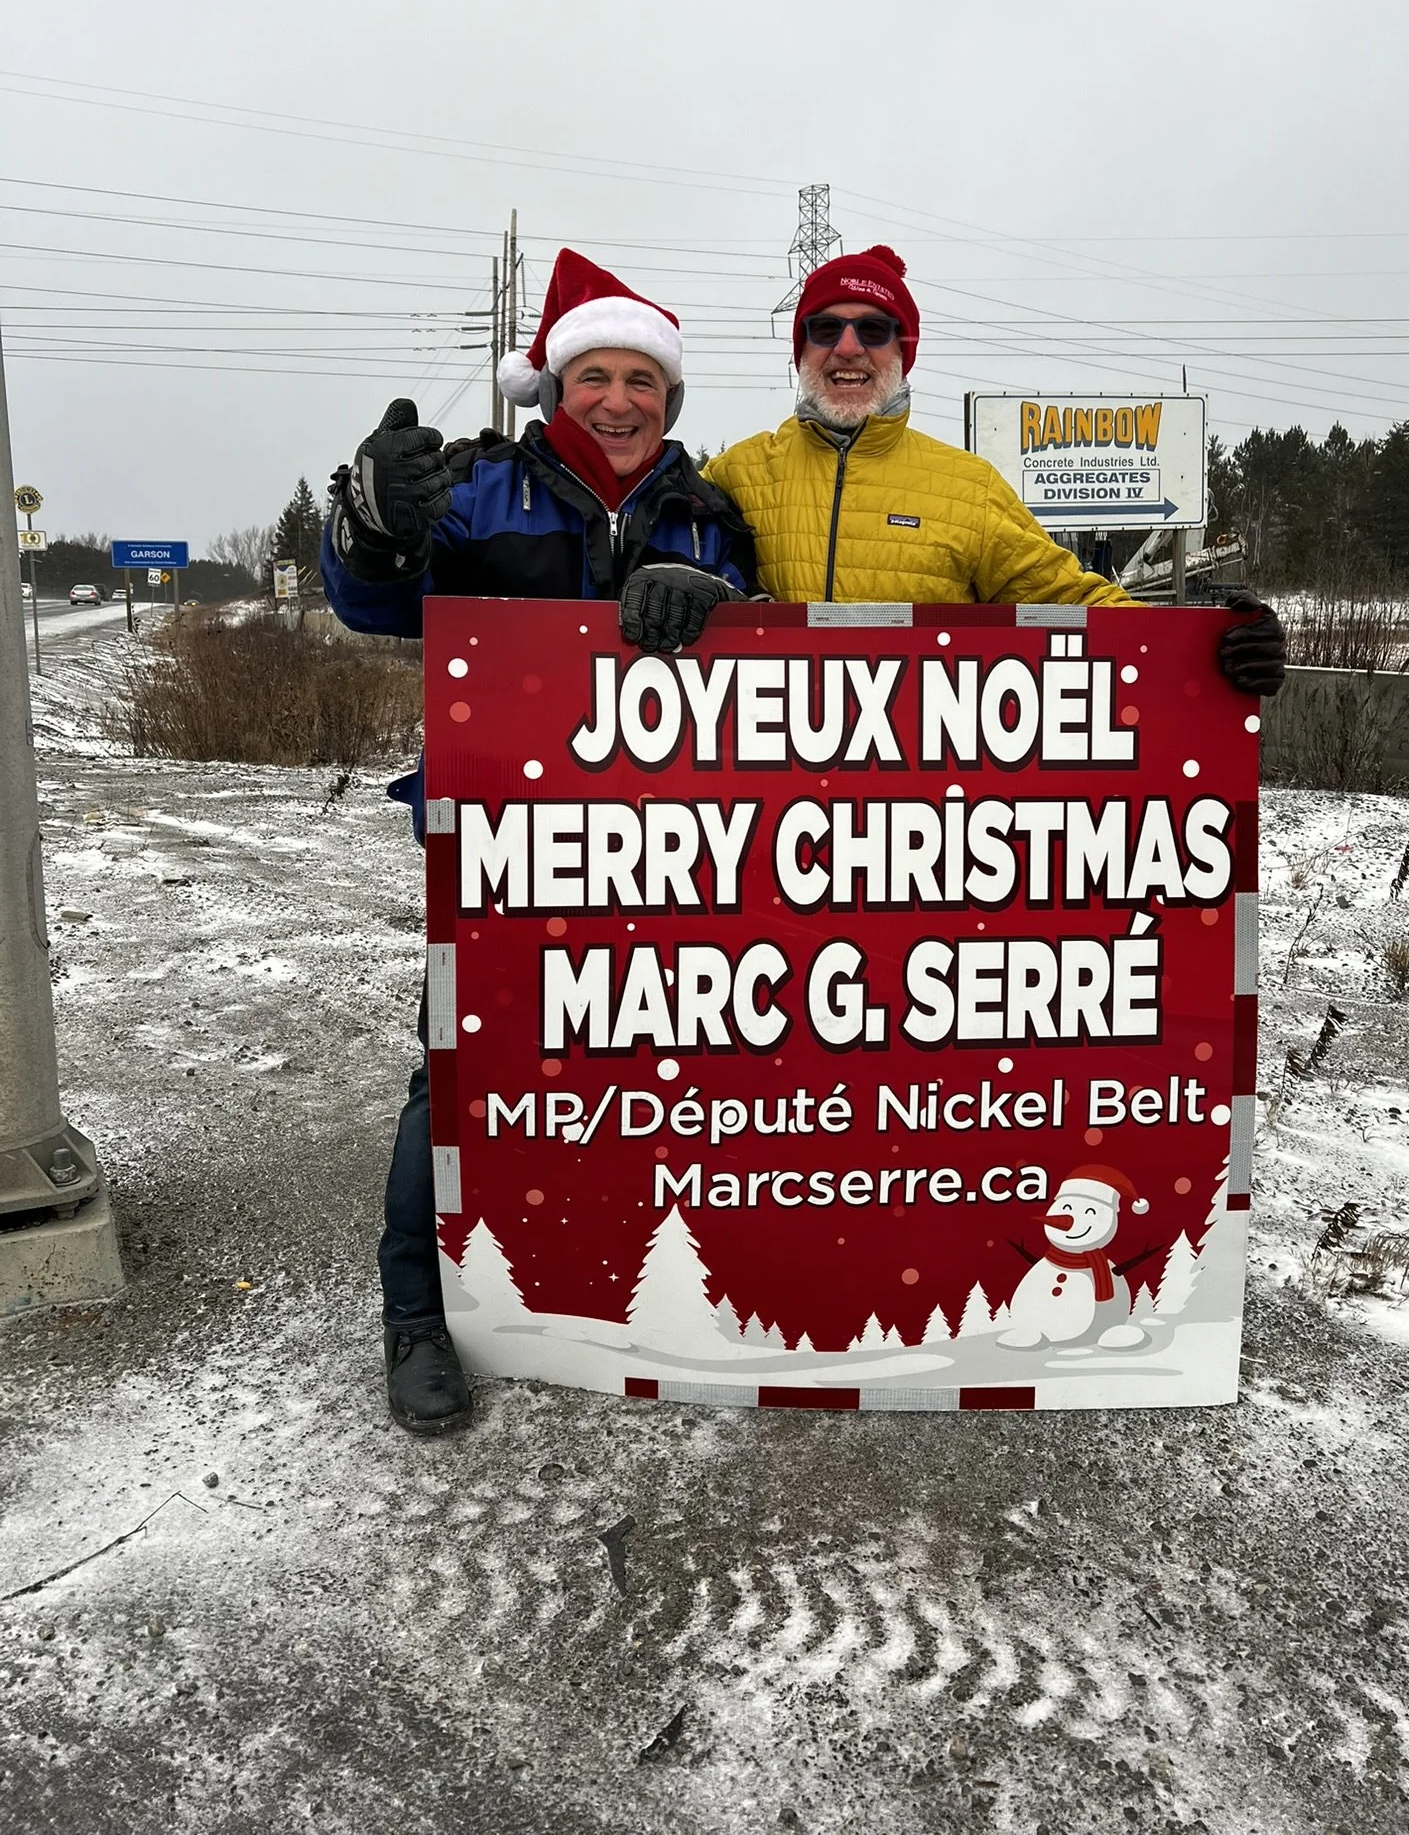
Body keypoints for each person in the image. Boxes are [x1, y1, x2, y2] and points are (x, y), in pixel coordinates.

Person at [322, 250, 758, 1433]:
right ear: (554, 386)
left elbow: (773, 672)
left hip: (676, 858)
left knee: (659, 1078)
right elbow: (369, 600)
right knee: (459, 1078)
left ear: (671, 400)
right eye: (594, 377)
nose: (619, 400)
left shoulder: (709, 514)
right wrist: (368, 526)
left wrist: (710, 604)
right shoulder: (475, 490)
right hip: (504, 848)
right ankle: (417, 1315)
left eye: (644, 382)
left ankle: (624, 1282)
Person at [704, 245, 1285, 694]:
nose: (848, 347)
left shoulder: (968, 489)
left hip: (914, 808)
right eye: (825, 328)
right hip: (771, 805)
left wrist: (1208, 643)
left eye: (874, 330)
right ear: (800, 350)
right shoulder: (739, 474)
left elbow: (1071, 599)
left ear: (903, 353)